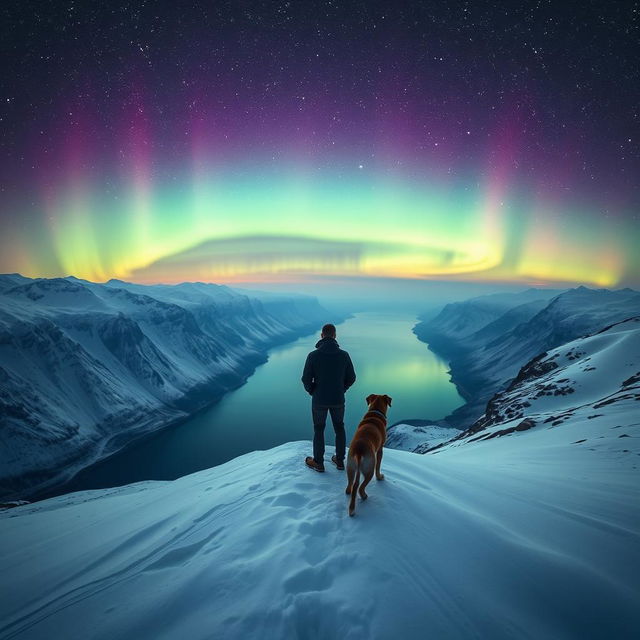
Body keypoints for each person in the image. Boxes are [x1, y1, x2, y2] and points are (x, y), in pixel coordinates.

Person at [301, 323, 356, 472]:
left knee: (319, 429)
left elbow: (306, 379)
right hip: (338, 399)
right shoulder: (344, 355)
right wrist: (341, 389)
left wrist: (313, 391)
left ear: (322, 336)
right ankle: (339, 461)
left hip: (319, 400)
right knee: (339, 427)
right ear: (335, 336)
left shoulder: (313, 355)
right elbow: (351, 377)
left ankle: (318, 462)